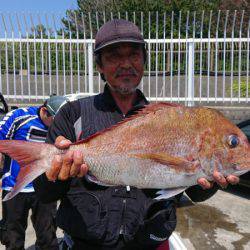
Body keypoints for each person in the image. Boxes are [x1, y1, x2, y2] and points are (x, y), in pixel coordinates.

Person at [33, 19, 239, 250]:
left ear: (144, 60)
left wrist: (212, 182)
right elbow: (44, 194)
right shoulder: (73, 115)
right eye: (113, 56)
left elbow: (194, 192)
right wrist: (55, 174)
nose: (125, 64)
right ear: (99, 66)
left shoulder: (169, 120)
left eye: (134, 55)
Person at [0, 95, 68, 250]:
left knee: (48, 236)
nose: (60, 123)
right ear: (45, 112)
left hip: (44, 188)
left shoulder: (61, 128)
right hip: (15, 187)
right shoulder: (19, 117)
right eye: (57, 120)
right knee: (12, 236)